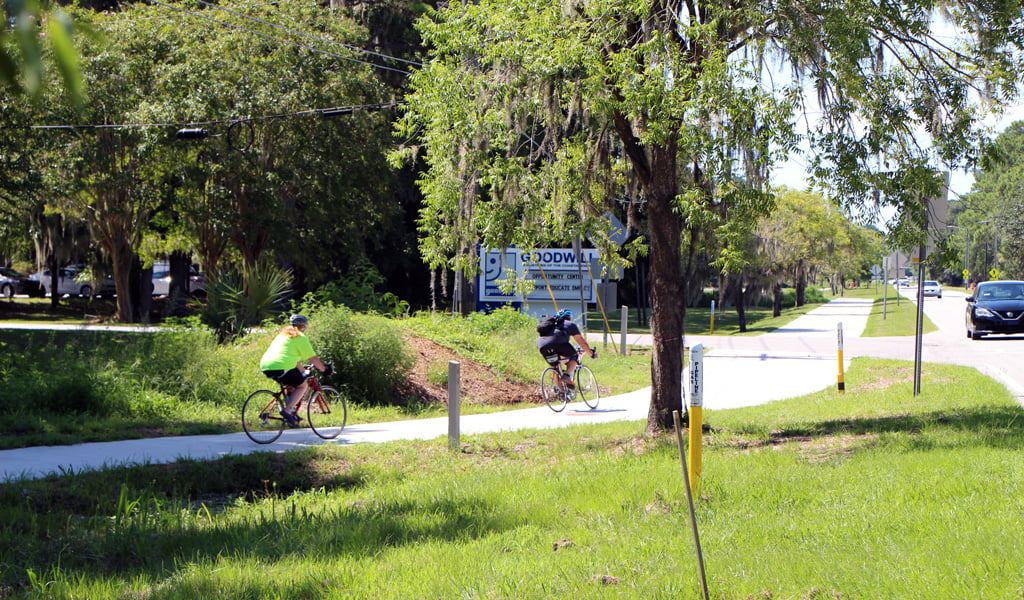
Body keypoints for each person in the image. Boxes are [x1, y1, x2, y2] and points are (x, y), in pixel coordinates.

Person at [259, 314, 332, 426]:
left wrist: (303, 371)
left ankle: (292, 414)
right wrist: (324, 369)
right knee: (303, 386)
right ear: (303, 326)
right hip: (282, 366)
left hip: (266, 366)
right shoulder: (300, 337)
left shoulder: (282, 335)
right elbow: (313, 358)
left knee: (292, 385)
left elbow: (293, 360)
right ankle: (287, 411)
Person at [536, 309, 596, 389]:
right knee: (575, 356)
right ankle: (566, 375)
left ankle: (562, 393)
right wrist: (591, 354)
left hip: (541, 345)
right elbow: (582, 343)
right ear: (569, 317)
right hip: (557, 343)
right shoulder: (569, 324)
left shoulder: (551, 325)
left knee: (556, 368)